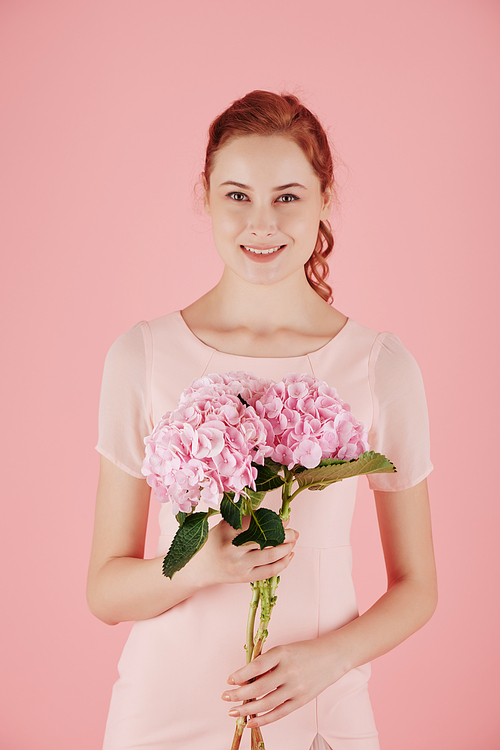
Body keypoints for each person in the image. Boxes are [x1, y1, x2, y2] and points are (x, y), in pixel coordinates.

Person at [87, 90, 437, 750]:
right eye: (238, 195)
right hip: (162, 716)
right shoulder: (144, 355)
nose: (261, 222)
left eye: (288, 196)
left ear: (325, 198)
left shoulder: (377, 366)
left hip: (319, 711)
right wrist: (198, 566)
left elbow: (418, 586)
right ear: (207, 196)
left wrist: (329, 660)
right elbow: (105, 590)